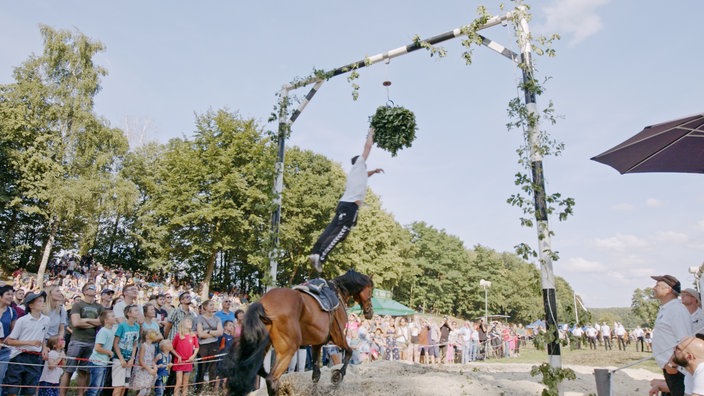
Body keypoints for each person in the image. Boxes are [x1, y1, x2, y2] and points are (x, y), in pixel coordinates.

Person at [308, 128, 384, 272]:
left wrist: (373, 171)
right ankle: (322, 257)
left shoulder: (356, 172)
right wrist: (371, 134)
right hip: (350, 207)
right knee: (341, 232)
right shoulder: (360, 163)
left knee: (331, 229)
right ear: (360, 162)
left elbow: (366, 174)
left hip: (343, 204)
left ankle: (315, 252)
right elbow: (367, 147)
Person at [652, 274, 692, 396]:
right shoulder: (666, 308)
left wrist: (672, 365)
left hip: (676, 369)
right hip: (670, 368)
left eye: (657, 285)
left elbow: (685, 340)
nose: (654, 288)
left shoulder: (676, 309)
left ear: (668, 289)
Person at [60, 282, 104, 396]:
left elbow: (101, 322)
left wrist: (84, 320)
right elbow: (75, 323)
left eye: (95, 288)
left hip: (91, 341)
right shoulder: (78, 305)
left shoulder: (99, 307)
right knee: (69, 370)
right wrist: (93, 323)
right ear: (85, 291)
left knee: (84, 371)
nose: (94, 289)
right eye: (91, 288)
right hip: (77, 340)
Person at [3, 291, 50, 396]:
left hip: (35, 358)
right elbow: (9, 341)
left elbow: (43, 337)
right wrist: (29, 343)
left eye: (43, 301)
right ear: (31, 305)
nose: (43, 303)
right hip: (19, 356)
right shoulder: (22, 320)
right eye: (39, 301)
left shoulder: (46, 320)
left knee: (30, 389)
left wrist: (44, 348)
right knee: (12, 389)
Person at [86, 310, 117, 396]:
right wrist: (109, 352)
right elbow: (97, 348)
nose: (115, 318)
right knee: (94, 388)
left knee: (100, 387)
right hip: (97, 362)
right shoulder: (103, 331)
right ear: (106, 320)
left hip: (103, 362)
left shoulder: (111, 331)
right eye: (112, 316)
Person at [112, 304, 141, 396]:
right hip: (119, 359)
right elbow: (115, 343)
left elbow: (135, 343)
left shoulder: (137, 326)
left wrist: (132, 358)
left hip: (129, 360)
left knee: (125, 385)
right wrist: (121, 358)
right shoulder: (122, 326)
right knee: (118, 386)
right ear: (129, 313)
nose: (138, 312)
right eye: (135, 310)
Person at [195, 299, 223, 390]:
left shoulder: (217, 319)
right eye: (210, 305)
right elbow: (200, 334)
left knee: (213, 367)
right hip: (203, 345)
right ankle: (199, 388)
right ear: (205, 307)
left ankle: (211, 388)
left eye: (213, 305)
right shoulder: (200, 319)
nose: (212, 307)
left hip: (214, 344)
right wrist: (213, 333)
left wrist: (209, 331)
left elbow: (220, 332)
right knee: (202, 367)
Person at [172, 318, 199, 396]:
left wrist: (193, 356)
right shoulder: (178, 335)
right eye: (188, 321)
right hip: (179, 362)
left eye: (190, 321)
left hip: (188, 361)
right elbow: (172, 348)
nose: (190, 322)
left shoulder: (193, 335)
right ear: (183, 324)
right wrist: (178, 356)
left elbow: (197, 347)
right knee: (179, 381)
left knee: (186, 382)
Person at [130, 329, 160, 396]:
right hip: (143, 370)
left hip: (149, 371)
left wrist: (154, 366)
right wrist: (149, 369)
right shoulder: (143, 345)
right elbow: (141, 360)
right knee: (142, 390)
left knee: (148, 391)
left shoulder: (153, 347)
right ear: (146, 336)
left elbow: (152, 360)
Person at [0, 284, 18, 386]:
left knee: (0, 379)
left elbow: (13, 332)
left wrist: (4, 342)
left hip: (4, 351)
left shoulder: (12, 312)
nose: (11, 297)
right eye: (8, 294)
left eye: (12, 295)